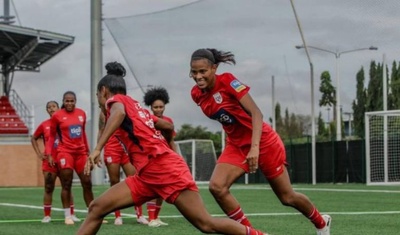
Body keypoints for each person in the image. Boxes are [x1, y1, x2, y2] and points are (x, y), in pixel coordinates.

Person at [76, 67, 268, 235]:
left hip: (164, 170)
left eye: (97, 97)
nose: (99, 102)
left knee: (206, 224)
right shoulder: (136, 107)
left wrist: (97, 149)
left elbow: (118, 113)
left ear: (103, 91)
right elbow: (167, 127)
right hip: (147, 175)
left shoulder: (116, 102)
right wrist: (166, 148)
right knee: (97, 208)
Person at [189, 48, 331, 235]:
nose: (198, 76)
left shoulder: (228, 81)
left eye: (203, 71)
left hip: (263, 142)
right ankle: (252, 233)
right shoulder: (196, 94)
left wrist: (255, 148)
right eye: (194, 72)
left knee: (287, 197)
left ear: (214, 68)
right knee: (217, 187)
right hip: (237, 145)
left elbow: (256, 113)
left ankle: (321, 222)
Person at [98, 62, 148, 226]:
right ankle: (117, 215)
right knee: (114, 182)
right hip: (112, 147)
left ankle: (139, 214)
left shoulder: (124, 105)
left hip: (126, 148)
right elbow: (101, 130)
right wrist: (98, 149)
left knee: (135, 178)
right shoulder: (104, 111)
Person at [44, 91, 94, 225]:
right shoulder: (57, 116)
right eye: (67, 101)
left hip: (81, 153)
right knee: (67, 183)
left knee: (87, 182)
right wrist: (49, 154)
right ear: (63, 101)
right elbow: (52, 137)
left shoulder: (81, 113)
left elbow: (82, 133)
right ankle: (68, 215)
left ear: (75, 101)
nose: (69, 103)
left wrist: (88, 153)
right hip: (65, 152)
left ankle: (92, 214)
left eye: (72, 101)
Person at [31, 100, 80, 223]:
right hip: (50, 161)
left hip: (65, 159)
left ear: (59, 108)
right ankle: (47, 215)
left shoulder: (67, 123)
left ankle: (71, 214)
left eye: (53, 106)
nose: (51, 109)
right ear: (47, 111)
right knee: (48, 187)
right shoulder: (44, 125)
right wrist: (39, 154)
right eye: (49, 107)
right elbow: (33, 138)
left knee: (67, 186)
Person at [143, 86, 176, 227]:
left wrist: (176, 156)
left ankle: (155, 217)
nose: (158, 109)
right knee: (153, 189)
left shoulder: (168, 121)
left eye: (160, 106)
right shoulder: (147, 120)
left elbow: (171, 141)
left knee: (162, 189)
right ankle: (150, 218)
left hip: (165, 157)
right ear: (150, 107)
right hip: (150, 158)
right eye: (155, 107)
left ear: (165, 106)